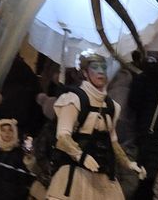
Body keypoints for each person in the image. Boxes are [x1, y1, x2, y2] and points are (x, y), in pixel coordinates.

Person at [45, 50, 145, 200]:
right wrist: (80, 156)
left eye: (103, 67)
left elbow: (113, 141)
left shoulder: (112, 106)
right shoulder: (73, 99)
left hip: (102, 175)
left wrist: (128, 164)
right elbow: (62, 136)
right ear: (85, 73)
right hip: (74, 174)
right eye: (95, 67)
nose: (100, 72)